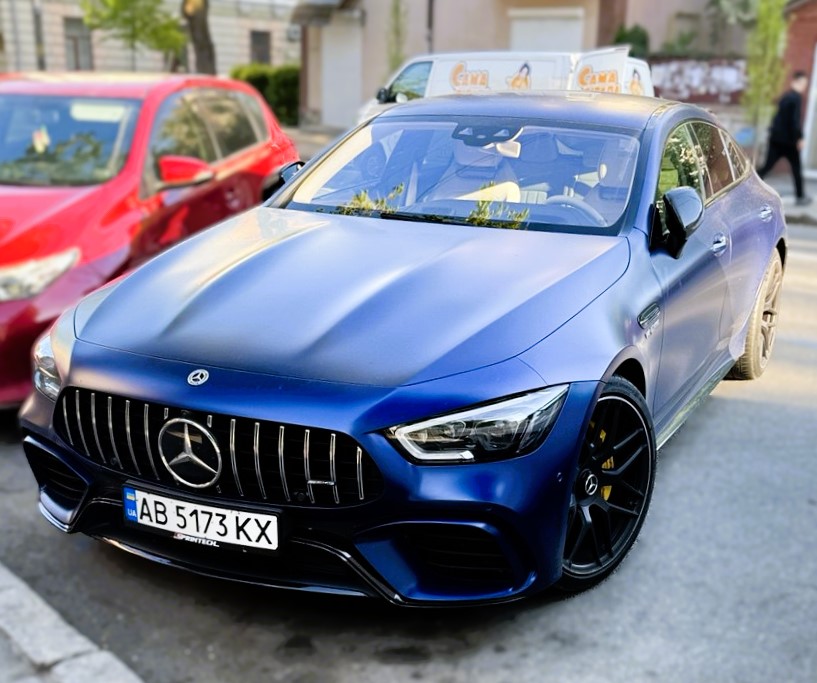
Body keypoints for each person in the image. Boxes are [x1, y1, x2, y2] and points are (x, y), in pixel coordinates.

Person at [758, 71, 812, 206]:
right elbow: (794, 121)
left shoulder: (785, 97)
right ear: (796, 82)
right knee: (796, 168)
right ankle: (800, 197)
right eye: (803, 84)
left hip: (776, 139)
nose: (804, 87)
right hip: (788, 142)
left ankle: (748, 188)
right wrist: (799, 138)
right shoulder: (796, 98)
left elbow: (778, 118)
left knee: (767, 166)